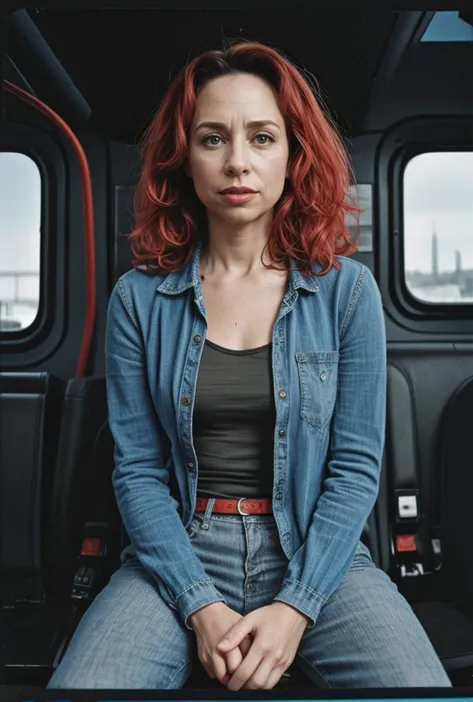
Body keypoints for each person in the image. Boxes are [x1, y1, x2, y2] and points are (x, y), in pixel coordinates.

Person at [48, 39, 451, 690]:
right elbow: (140, 474)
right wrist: (198, 603)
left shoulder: (347, 293)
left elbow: (354, 471)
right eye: (213, 139)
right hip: (177, 551)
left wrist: (297, 606)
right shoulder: (138, 300)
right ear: (184, 158)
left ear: (293, 155)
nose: (238, 161)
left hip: (321, 556)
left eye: (262, 138)